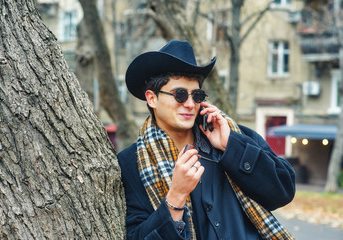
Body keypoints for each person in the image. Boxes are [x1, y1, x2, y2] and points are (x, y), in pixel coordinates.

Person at [117, 40, 295, 240]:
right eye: (180, 95)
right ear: (152, 99)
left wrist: (232, 146)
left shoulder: (232, 135)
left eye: (197, 95)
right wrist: (175, 197)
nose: (190, 104)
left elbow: (283, 190)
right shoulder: (130, 163)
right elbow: (136, 236)